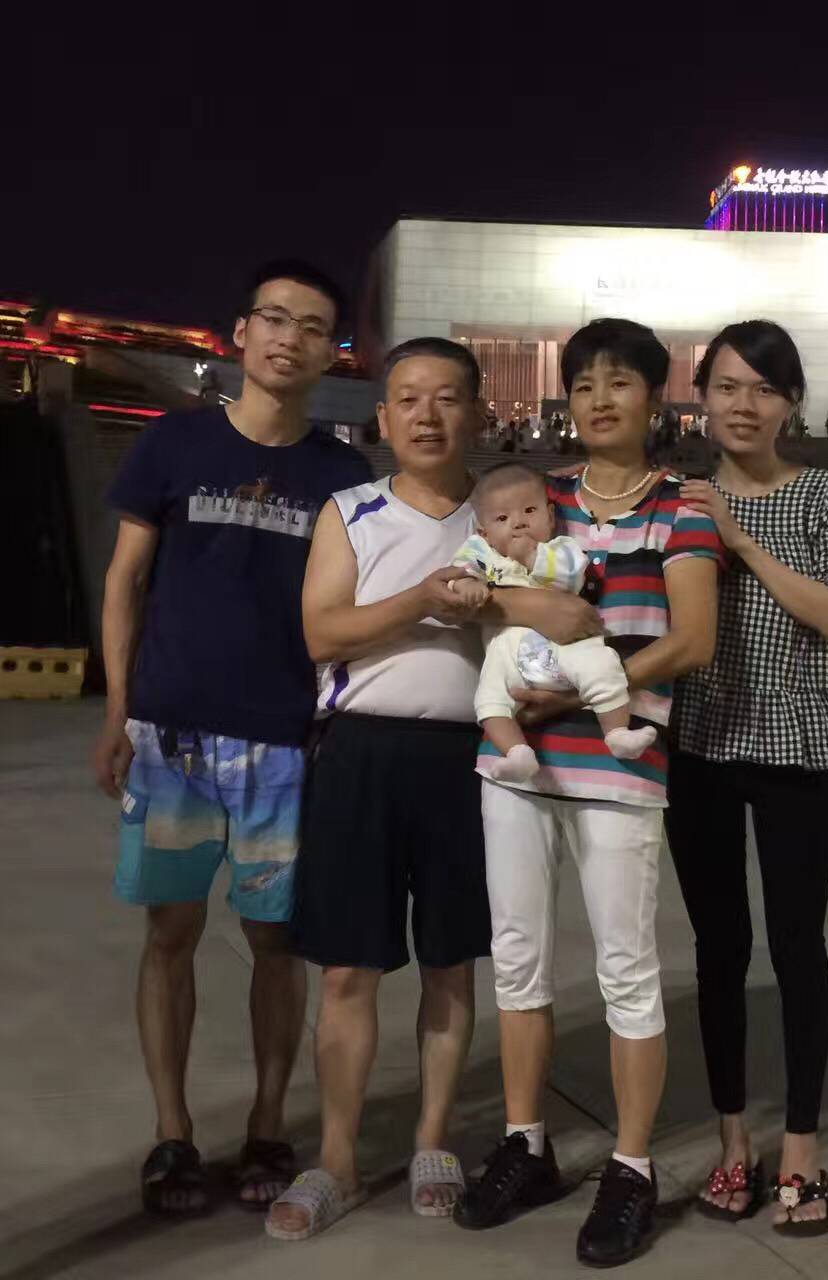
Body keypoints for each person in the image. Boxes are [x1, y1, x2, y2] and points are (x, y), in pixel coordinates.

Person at [265, 338, 603, 1240]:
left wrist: (492, 600)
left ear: (479, 413)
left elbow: (564, 609)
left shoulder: (505, 516)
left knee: (451, 964)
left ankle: (432, 1142)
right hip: (361, 754)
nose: (426, 414)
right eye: (408, 397)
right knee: (348, 968)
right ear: (383, 417)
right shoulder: (353, 511)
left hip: (469, 759)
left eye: (447, 397)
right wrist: (422, 597)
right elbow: (322, 633)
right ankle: (336, 1160)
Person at [93, 260, 372, 1214]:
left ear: (332, 354)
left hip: (285, 742)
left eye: (313, 327)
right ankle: (173, 1135)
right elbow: (125, 582)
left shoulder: (342, 475)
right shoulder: (173, 442)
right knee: (169, 933)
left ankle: (266, 1127)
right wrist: (117, 712)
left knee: (275, 941)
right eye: (275, 319)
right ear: (242, 333)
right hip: (170, 736)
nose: (290, 338)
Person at [454, 319, 722, 1268]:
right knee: (518, 958)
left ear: (655, 397)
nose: (600, 399)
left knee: (625, 970)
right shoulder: (540, 499)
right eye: (583, 385)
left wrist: (578, 687)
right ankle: (526, 1144)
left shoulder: (680, 510)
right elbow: (483, 587)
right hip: (516, 763)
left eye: (620, 382)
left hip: (617, 767)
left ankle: (631, 1166)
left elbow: (691, 639)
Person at [669, 320, 828, 1238]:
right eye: (727, 386)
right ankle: (734, 1140)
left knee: (797, 945)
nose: (744, 405)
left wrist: (740, 538)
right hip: (700, 738)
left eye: (764, 388)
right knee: (718, 948)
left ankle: (800, 1145)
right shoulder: (678, 496)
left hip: (798, 739)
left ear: (792, 402)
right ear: (702, 399)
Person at [450, 463, 657, 780]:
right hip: (507, 652)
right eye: (502, 519)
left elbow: (571, 576)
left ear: (549, 516)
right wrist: (466, 584)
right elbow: (456, 573)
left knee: (604, 665)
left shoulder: (561, 548)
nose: (518, 523)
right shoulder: (482, 553)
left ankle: (617, 733)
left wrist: (532, 557)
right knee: (489, 699)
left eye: (529, 511)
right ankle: (517, 753)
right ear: (484, 533)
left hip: (566, 646)